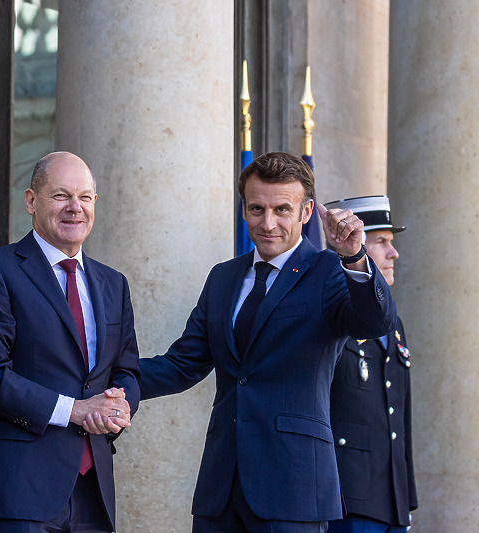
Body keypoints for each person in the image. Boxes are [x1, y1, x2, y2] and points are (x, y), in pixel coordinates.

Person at [139, 152, 397, 532]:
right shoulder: (223, 278)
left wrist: (356, 256)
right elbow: (182, 364)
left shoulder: (329, 271)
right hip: (220, 489)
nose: (268, 223)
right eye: (257, 208)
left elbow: (376, 321)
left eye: (282, 209)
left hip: (293, 489)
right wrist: (105, 375)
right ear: (244, 209)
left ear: (307, 212)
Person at [0, 151, 141, 533]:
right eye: (61, 196)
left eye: (85, 197)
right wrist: (74, 410)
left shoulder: (113, 283)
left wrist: (121, 406)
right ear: (31, 201)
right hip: (19, 490)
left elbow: (126, 369)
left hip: (94, 492)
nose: (75, 208)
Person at [324, 196, 417, 533]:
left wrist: (405, 498)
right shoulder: (332, 313)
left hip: (390, 499)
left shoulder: (395, 324)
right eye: (381, 242)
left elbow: (399, 417)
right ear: (352, 244)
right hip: (347, 499)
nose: (393, 254)